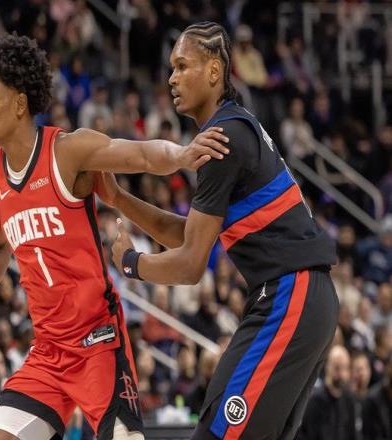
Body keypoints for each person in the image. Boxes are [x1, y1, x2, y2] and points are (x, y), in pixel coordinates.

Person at [0, 33, 229, 440]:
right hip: (47, 352)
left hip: (98, 343)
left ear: (19, 103)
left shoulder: (67, 151)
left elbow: (138, 154)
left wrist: (183, 154)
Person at [99, 21, 339, 439]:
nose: (171, 77)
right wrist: (120, 199)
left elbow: (191, 265)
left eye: (181, 66)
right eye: (170, 68)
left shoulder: (221, 138)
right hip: (307, 299)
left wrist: (131, 264)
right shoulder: (234, 127)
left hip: (289, 295)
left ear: (214, 70)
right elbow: (190, 235)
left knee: (215, 433)